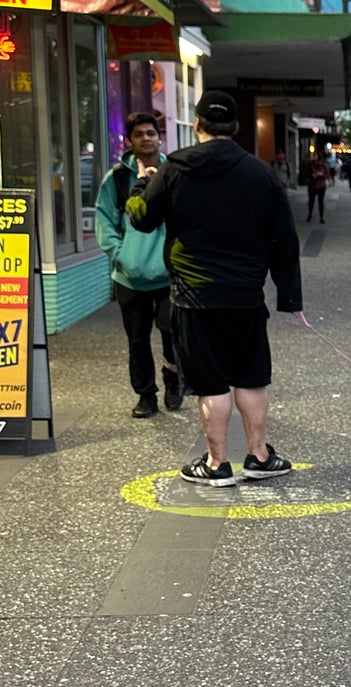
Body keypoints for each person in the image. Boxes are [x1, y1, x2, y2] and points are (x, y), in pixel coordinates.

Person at [126, 88, 303, 486]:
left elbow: (142, 219)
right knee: (252, 378)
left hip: (194, 297)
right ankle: (259, 456)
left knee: (211, 383)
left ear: (197, 125)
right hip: (245, 297)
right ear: (236, 128)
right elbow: (285, 239)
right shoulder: (261, 173)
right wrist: (289, 295)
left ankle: (217, 463)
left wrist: (141, 186)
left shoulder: (173, 169)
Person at [93, 111, 183, 419]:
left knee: (172, 332)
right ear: (130, 141)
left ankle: (174, 378)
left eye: (151, 133)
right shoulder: (117, 178)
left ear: (160, 138)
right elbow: (104, 219)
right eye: (139, 134)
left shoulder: (174, 172)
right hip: (130, 276)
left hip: (169, 272)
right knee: (137, 339)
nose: (146, 138)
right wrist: (121, 254)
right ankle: (146, 395)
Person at [306, 146, 331, 224]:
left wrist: (321, 175)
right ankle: (310, 213)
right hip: (312, 184)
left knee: (321, 201)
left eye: (316, 155)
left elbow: (327, 174)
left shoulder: (323, 164)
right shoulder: (311, 164)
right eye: (314, 156)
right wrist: (311, 175)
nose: (314, 157)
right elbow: (306, 173)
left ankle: (321, 217)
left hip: (321, 185)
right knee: (311, 200)